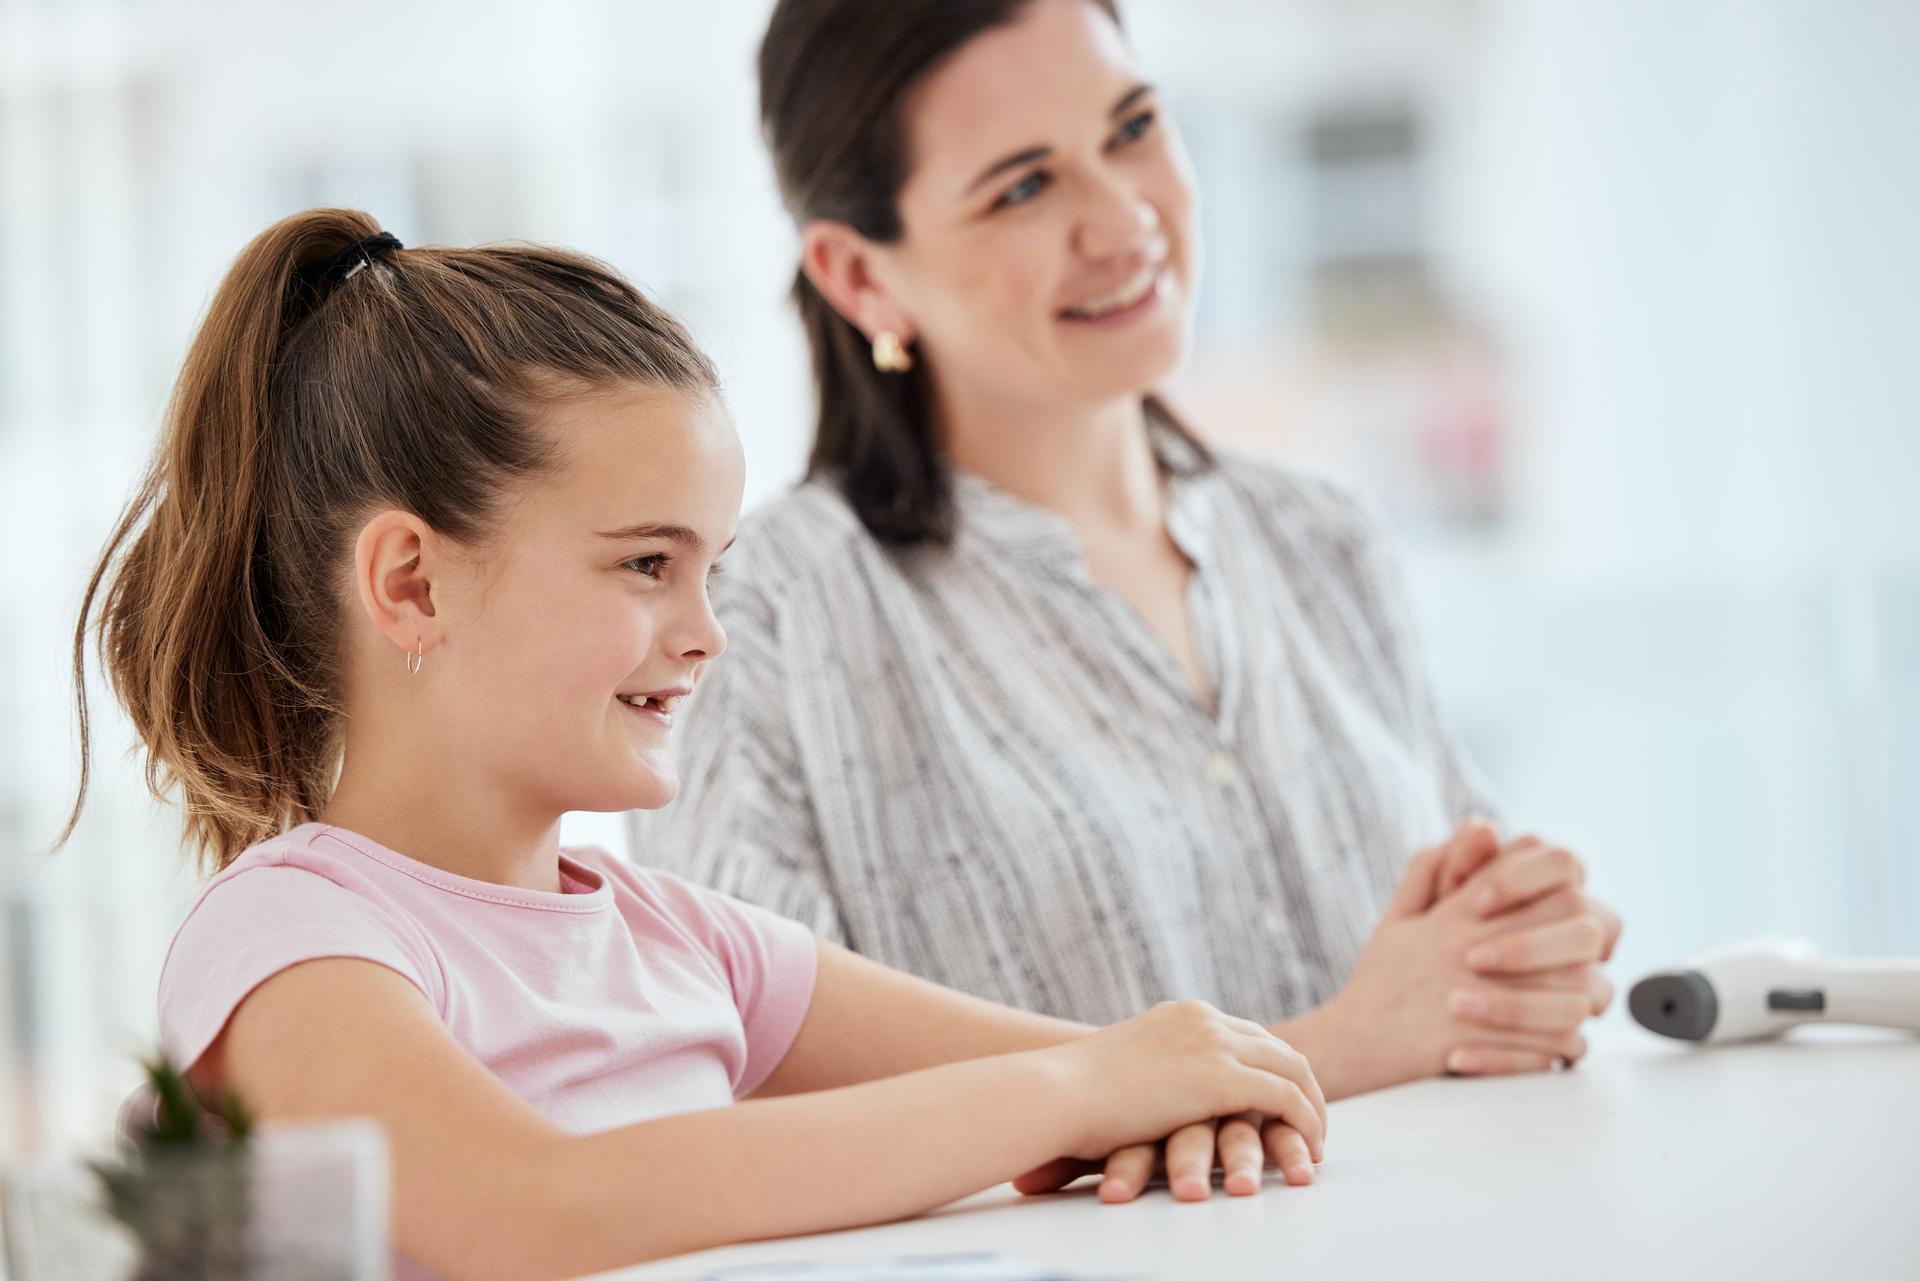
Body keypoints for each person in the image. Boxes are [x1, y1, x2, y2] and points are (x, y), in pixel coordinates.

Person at [58, 209, 1329, 1281]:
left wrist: (1166, 1086)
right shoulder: (290, 935)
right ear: (413, 586)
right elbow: (530, 1210)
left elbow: (1128, 1072)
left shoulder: (688, 944)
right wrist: (1072, 1100)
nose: (708, 632)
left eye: (711, 569)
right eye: (648, 564)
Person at [638, 0, 1623, 1106]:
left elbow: (1459, 975)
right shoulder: (759, 622)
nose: (1122, 221)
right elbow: (763, 1093)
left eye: (1133, 129)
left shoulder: (1323, 542)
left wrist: (1526, 957)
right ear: (862, 277)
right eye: (1023, 186)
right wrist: (1347, 1044)